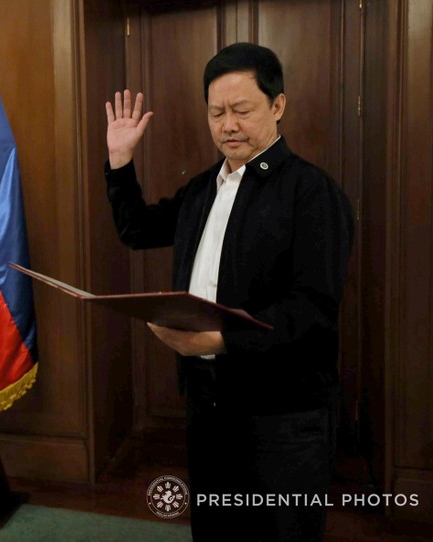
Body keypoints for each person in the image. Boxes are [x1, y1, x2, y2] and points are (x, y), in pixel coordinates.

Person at [104, 43, 354, 541]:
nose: (228, 125)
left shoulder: (312, 192)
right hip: (208, 403)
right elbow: (136, 230)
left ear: (277, 107)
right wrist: (120, 161)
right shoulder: (203, 188)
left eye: (242, 110)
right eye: (217, 113)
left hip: (284, 412)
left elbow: (313, 311)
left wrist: (221, 342)